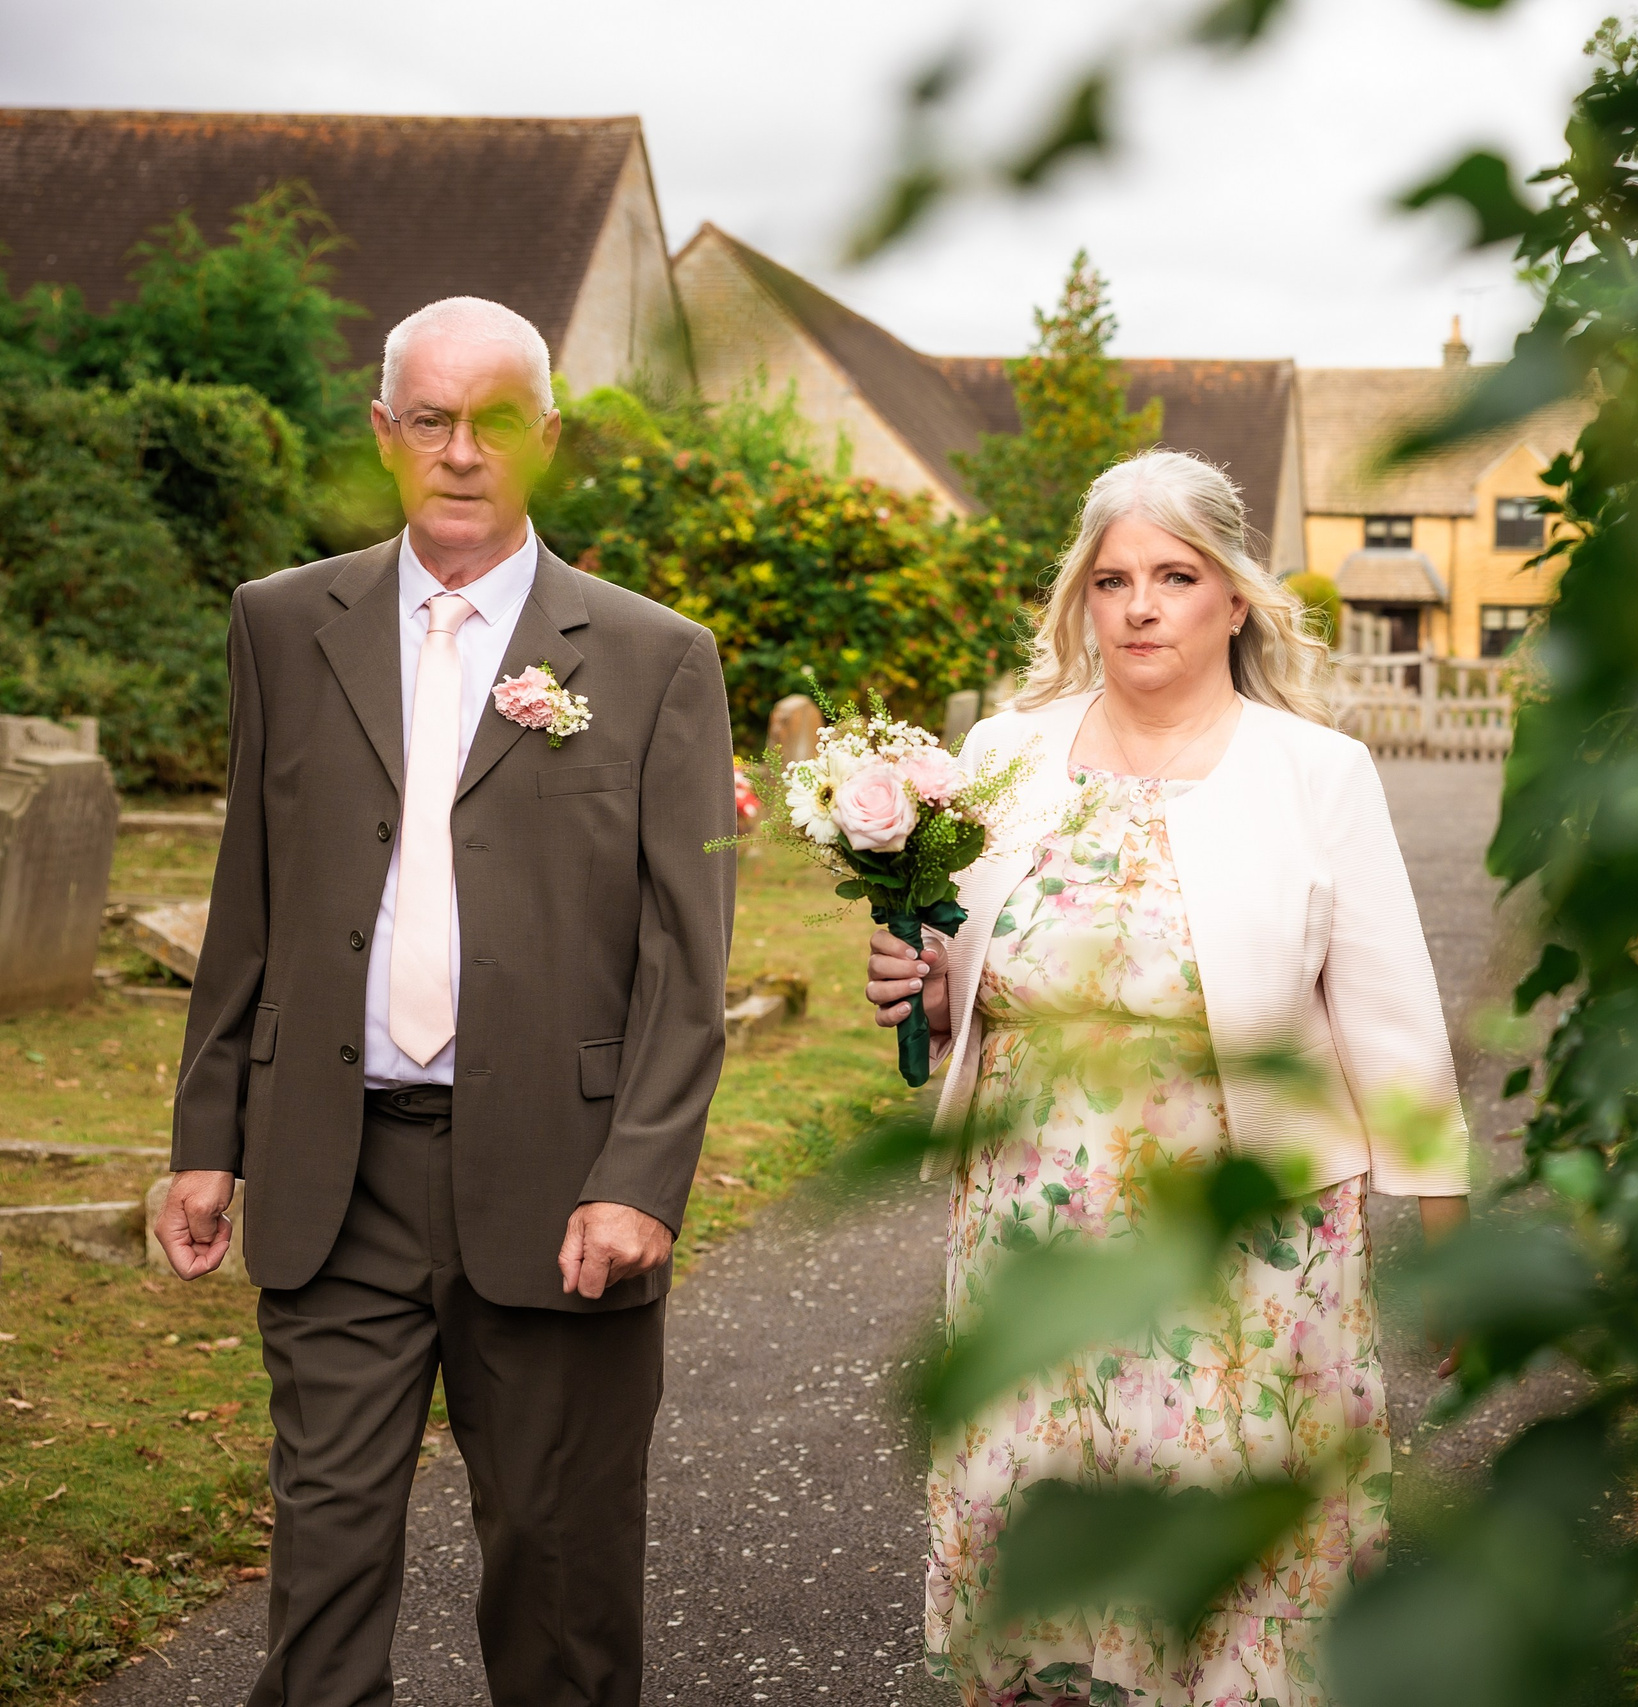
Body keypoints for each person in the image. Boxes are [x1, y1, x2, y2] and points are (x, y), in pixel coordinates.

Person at [158, 296, 736, 1707]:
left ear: (547, 439)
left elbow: (686, 955)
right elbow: (249, 895)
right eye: (431, 418)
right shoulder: (282, 624)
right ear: (384, 433)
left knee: (560, 1587)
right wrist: (206, 1135)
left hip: (562, 1185)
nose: (461, 451)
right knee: (322, 1573)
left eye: (495, 422)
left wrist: (640, 1177)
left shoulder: (656, 656)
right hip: (334, 1166)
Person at [865, 450, 1472, 1705]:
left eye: (1176, 577)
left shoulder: (1314, 772)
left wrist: (1450, 1251)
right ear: (1081, 599)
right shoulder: (1003, 753)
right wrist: (924, 988)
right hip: (1033, 1224)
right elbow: (976, 976)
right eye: (1113, 580)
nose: (1140, 607)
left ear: (1234, 595)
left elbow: (1395, 1025)